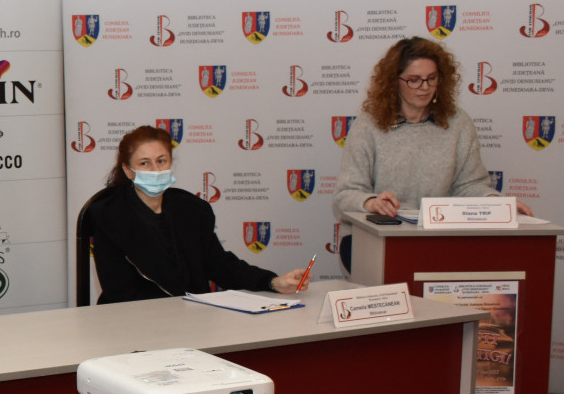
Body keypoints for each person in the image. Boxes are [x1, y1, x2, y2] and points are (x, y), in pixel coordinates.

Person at [90, 125, 305, 304]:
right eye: (144, 163)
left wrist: (272, 282)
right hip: (135, 323)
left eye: (161, 161)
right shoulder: (108, 215)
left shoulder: (191, 209)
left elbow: (219, 265)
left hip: (194, 319)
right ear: (128, 170)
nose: (155, 170)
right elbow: (120, 290)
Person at [333, 37, 530, 218]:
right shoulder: (369, 124)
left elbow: (469, 186)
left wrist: (497, 203)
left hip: (439, 232)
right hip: (382, 231)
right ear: (394, 81)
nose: (425, 87)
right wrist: (370, 202)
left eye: (431, 78)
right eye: (414, 80)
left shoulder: (458, 122)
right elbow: (346, 195)